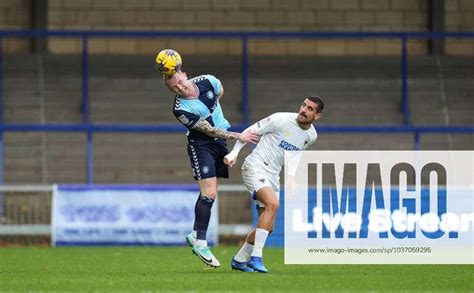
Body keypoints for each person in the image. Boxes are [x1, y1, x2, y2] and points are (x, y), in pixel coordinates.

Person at [162, 69, 259, 268]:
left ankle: (195, 234)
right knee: (209, 192)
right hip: (201, 144)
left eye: (180, 82)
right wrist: (237, 136)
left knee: (211, 191)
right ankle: (201, 243)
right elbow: (208, 130)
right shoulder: (180, 109)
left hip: (220, 144)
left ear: (185, 74)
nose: (180, 88)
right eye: (174, 88)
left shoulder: (208, 80)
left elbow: (219, 92)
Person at [223, 97, 324, 273]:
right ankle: (256, 257)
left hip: (273, 176)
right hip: (255, 166)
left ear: (317, 115)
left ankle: (239, 260)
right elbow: (249, 131)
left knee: (268, 228)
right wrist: (234, 153)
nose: (303, 110)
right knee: (273, 204)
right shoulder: (280, 119)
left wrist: (291, 177)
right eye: (303, 105)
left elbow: (294, 154)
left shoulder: (311, 136)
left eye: (309, 109)